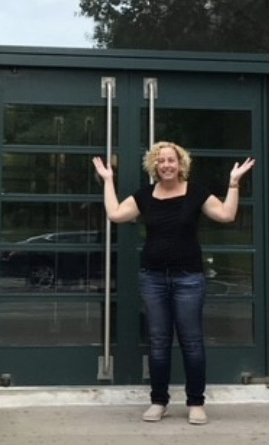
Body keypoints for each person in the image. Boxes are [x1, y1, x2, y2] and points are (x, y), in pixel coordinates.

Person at [93, 141, 255, 425]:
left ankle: (195, 403)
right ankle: (159, 402)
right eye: (161, 160)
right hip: (153, 278)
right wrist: (108, 181)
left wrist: (233, 183)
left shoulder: (195, 193)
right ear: (154, 166)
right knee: (158, 343)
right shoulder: (145, 196)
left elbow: (226, 215)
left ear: (181, 165)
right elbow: (115, 214)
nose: (167, 165)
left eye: (172, 160)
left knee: (191, 342)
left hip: (188, 278)